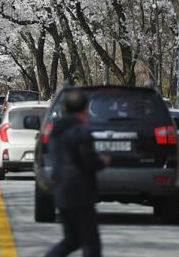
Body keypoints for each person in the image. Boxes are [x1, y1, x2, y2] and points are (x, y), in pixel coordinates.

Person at [46, 90, 111, 257]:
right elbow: (88, 160)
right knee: (91, 244)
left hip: (61, 191)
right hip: (80, 193)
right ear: (85, 108)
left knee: (72, 240)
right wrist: (102, 161)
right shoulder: (82, 131)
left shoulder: (55, 131)